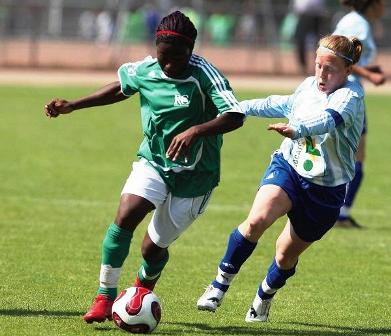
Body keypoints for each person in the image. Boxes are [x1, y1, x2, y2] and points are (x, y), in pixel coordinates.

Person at [44, 10, 244, 324]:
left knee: (152, 248)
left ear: (190, 51)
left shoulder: (204, 74)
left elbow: (235, 115)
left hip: (196, 177)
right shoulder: (146, 70)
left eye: (176, 58)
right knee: (126, 215)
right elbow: (118, 88)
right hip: (153, 162)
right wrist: (73, 105)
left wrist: (196, 131)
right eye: (163, 56)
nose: (168, 65)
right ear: (156, 49)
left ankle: (140, 291)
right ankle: (104, 296)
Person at [197, 34, 364, 322]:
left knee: (285, 255)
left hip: (326, 191)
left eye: (330, 69)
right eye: (317, 66)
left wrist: (297, 129)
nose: (321, 74)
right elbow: (284, 103)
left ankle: (263, 297)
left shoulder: (350, 96)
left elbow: (327, 119)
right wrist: (242, 106)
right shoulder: (309, 86)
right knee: (256, 220)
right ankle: (218, 285)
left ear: (348, 70)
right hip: (289, 166)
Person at [333, 0, 386, 228]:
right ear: (372, 3)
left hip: (342, 89)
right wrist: (371, 76)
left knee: (345, 154)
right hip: (349, 94)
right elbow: (341, 57)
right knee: (356, 156)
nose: (384, 6)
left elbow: (346, 58)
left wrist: (367, 70)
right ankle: (341, 214)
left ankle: (338, 212)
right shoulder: (359, 24)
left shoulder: (351, 20)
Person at [293, 0, 326, 74]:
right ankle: (303, 67)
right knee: (300, 40)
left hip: (317, 16)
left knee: (320, 42)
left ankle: (320, 65)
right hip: (303, 15)